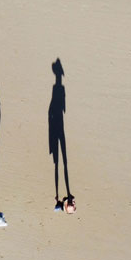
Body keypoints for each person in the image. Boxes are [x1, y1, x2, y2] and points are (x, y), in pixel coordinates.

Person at [48, 58, 75, 213]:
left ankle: (59, 198)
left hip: (56, 125)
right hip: (58, 126)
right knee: (61, 162)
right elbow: (59, 108)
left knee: (60, 162)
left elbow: (55, 109)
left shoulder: (58, 89)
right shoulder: (59, 89)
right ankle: (59, 199)